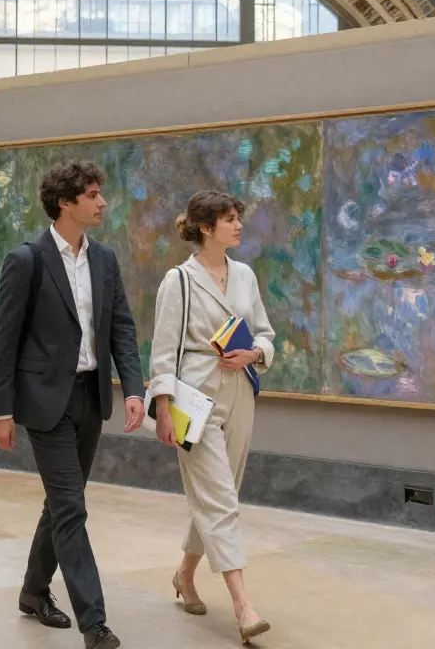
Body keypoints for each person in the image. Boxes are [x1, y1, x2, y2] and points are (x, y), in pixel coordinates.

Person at [0, 160, 147, 649]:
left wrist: (134, 389)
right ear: (66, 202)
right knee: (71, 508)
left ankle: (34, 592)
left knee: (59, 504)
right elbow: (5, 340)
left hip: (90, 396)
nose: (102, 202)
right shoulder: (26, 259)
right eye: (93, 194)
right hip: (43, 402)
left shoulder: (104, 259)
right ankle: (94, 623)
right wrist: (1, 410)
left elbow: (120, 325)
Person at [147, 190, 275, 644]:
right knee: (220, 499)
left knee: (221, 494)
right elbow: (162, 353)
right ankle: (243, 606)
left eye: (239, 217)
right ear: (206, 227)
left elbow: (265, 331)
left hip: (241, 391)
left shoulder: (244, 275)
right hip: (193, 399)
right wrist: (162, 410)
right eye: (229, 219)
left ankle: (184, 573)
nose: (238, 225)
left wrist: (256, 352)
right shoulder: (178, 281)